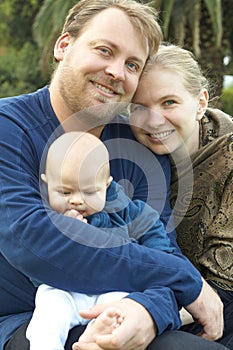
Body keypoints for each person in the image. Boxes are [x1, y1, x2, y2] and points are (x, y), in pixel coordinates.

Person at [0, 1, 225, 349]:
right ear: (64, 45)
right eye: (105, 50)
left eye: (132, 64)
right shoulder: (9, 127)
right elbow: (30, 240)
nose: (117, 72)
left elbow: (163, 247)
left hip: (119, 306)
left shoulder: (134, 145)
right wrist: (182, 279)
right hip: (27, 319)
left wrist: (147, 311)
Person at [26, 130, 175, 350]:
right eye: (65, 192)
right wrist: (66, 233)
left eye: (89, 192)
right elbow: (35, 262)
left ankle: (97, 336)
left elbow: (157, 245)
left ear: (106, 185)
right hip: (65, 290)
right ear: (47, 184)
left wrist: (157, 260)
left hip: (113, 288)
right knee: (48, 309)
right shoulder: (46, 217)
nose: (76, 200)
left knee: (120, 310)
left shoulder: (129, 213)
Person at [131, 42, 233, 349]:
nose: (153, 121)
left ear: (200, 102)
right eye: (139, 107)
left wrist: (146, 316)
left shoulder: (228, 161)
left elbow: (223, 284)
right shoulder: (122, 156)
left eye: (169, 102)